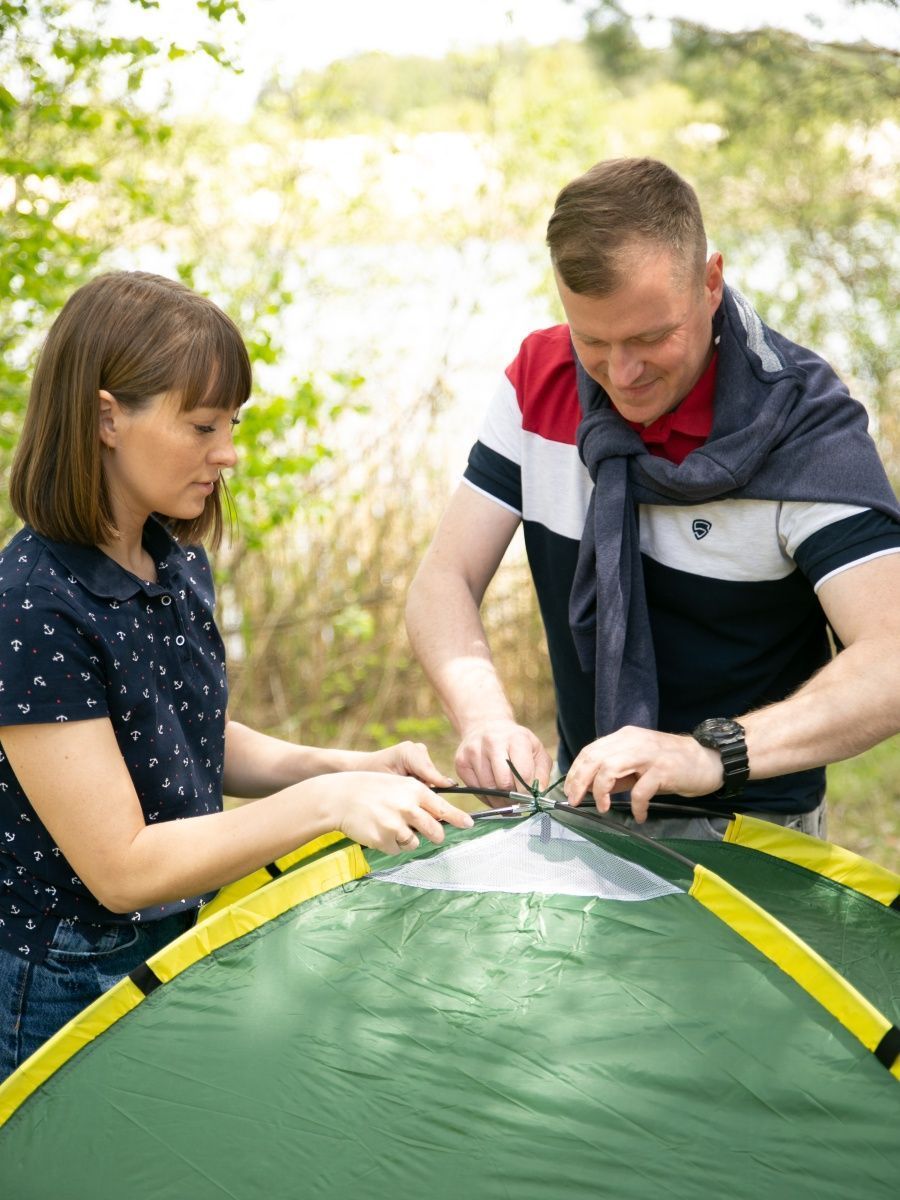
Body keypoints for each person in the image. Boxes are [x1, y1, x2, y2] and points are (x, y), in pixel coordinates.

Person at [0, 271, 473, 1079]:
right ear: (108, 418)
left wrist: (353, 766)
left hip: (179, 942)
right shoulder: (32, 606)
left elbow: (185, 740)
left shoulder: (173, 563)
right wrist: (322, 805)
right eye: (203, 426)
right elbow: (121, 868)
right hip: (64, 978)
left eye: (233, 424)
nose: (228, 452)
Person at [406, 157, 900, 839]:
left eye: (650, 337)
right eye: (594, 341)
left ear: (710, 282)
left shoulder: (804, 426)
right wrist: (483, 713)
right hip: (585, 810)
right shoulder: (537, 380)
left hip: (754, 827)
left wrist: (706, 752)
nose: (623, 374)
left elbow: (892, 653)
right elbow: (443, 579)